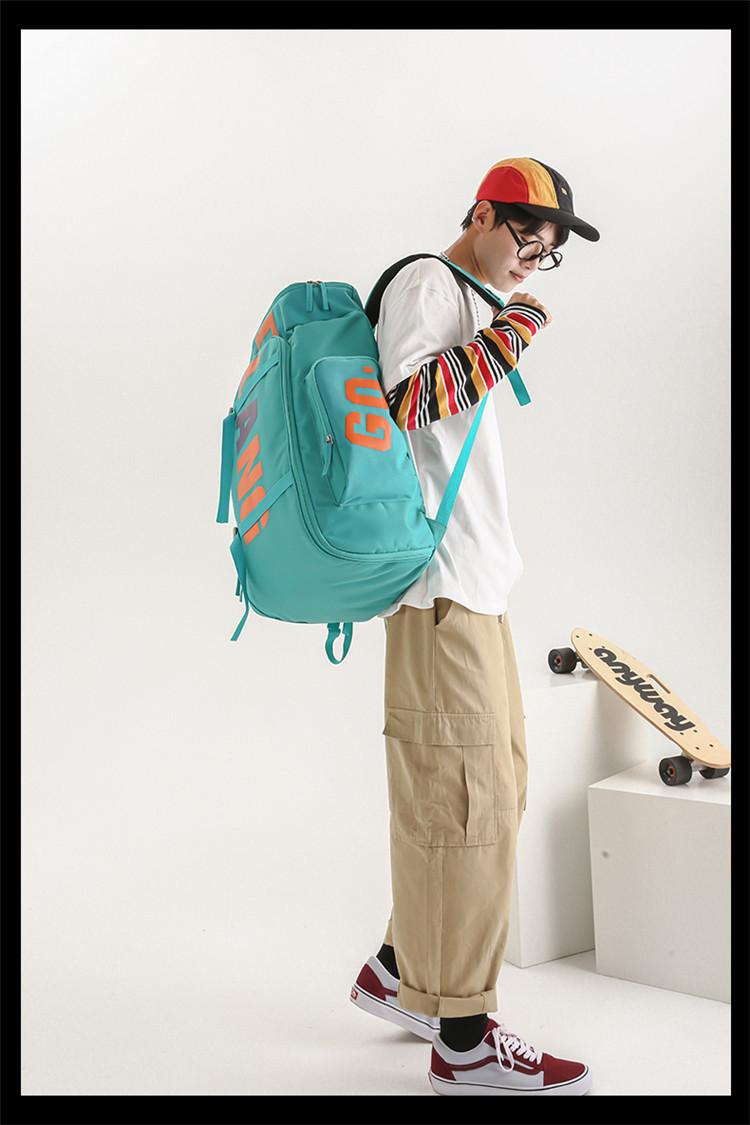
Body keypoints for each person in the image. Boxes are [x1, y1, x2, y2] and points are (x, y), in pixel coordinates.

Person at [349, 157, 600, 1096]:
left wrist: (503, 325)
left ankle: (397, 973)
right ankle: (463, 1039)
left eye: (551, 249)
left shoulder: (470, 298)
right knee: (464, 802)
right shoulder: (429, 282)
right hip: (440, 589)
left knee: (487, 792)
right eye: (527, 235)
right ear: (482, 214)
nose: (535, 257)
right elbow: (407, 401)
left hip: (475, 586)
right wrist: (512, 334)